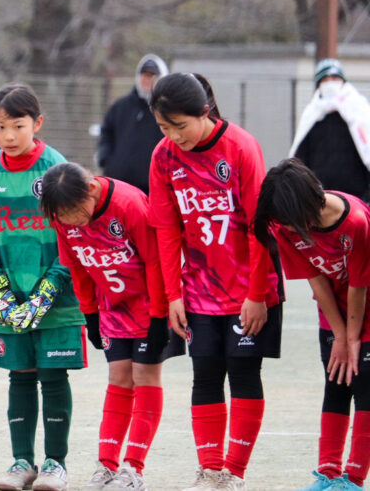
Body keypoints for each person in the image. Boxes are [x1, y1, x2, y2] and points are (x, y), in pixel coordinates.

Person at [147, 72, 283, 491]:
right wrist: (173, 294)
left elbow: (259, 226)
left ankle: (235, 474)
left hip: (249, 289)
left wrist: (256, 294)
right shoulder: (163, 156)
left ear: (204, 112)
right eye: (164, 127)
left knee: (243, 375)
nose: (173, 136)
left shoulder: (240, 147)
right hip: (198, 290)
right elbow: (166, 230)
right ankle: (210, 473)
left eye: (180, 126)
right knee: (204, 375)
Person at [0, 83, 85, 491]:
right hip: (9, 296)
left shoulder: (55, 167)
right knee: (19, 376)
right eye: (0, 127)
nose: (9, 136)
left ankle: (56, 464)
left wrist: (46, 291)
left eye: (18, 126)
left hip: (55, 298)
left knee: (53, 377)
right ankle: (22, 462)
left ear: (37, 123)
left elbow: (73, 233)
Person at [40, 162, 173, 491]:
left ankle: (134, 469)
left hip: (149, 303)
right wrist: (91, 313)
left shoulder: (128, 205)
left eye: (73, 211)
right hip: (111, 305)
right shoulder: (62, 218)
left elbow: (157, 260)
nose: (70, 221)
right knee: (118, 377)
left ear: (92, 191)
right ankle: (107, 465)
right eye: (62, 215)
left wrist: (159, 315)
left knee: (145, 376)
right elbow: (75, 265)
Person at [254, 158, 370, 491]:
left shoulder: (357, 222)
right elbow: (318, 283)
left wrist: (352, 339)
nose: (284, 229)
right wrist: (338, 336)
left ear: (306, 205)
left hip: (365, 307)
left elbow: (359, 286)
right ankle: (328, 474)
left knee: (364, 386)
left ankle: (354, 479)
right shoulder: (285, 227)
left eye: (287, 221)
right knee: (336, 381)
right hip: (334, 310)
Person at [290, 59, 370, 203]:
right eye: (325, 79)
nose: (330, 83)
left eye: (334, 78)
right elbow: (300, 158)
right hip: (322, 199)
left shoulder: (358, 111)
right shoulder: (312, 115)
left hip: (357, 199)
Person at [96, 54, 169, 193]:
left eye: (152, 75)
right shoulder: (120, 106)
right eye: (144, 74)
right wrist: (104, 158)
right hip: (119, 186)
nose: (147, 79)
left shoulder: (167, 110)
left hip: (152, 189)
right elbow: (106, 133)